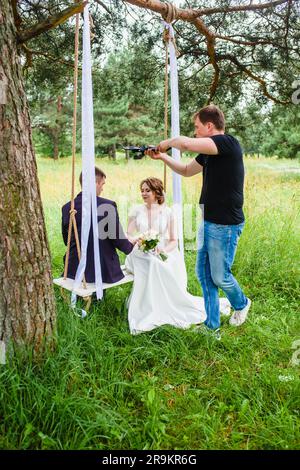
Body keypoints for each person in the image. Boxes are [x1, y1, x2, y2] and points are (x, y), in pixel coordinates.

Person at [146, 104, 251, 331]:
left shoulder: (227, 143)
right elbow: (185, 170)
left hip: (226, 225)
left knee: (220, 276)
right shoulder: (208, 153)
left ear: (209, 126)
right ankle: (211, 325)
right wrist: (162, 157)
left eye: (197, 127)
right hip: (208, 220)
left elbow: (184, 144)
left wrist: (166, 142)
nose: (195, 131)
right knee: (204, 275)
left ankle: (241, 303)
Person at [124, 177, 231, 335]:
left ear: (156, 192)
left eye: (147, 190)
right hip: (139, 252)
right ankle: (146, 307)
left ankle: (165, 304)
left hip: (160, 250)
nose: (144, 193)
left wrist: (163, 251)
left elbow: (174, 240)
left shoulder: (167, 212)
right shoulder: (136, 210)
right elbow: (128, 234)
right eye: (142, 190)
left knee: (159, 262)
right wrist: (138, 240)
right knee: (151, 263)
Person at [62, 166, 134, 284]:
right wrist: (132, 248)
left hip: (74, 267)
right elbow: (117, 239)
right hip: (103, 269)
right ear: (95, 183)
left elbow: (67, 240)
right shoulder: (107, 205)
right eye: (102, 184)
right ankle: (99, 299)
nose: (102, 189)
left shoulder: (67, 207)